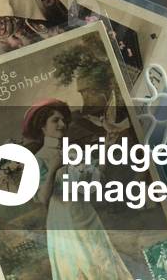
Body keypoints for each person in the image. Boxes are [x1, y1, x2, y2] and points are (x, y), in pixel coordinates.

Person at [23, 99, 133, 280]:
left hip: (85, 213)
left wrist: (107, 148)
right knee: (80, 266)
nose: (62, 124)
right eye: (55, 120)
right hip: (63, 219)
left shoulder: (72, 152)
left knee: (102, 260)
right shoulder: (38, 159)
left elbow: (94, 180)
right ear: (42, 126)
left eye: (63, 120)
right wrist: (53, 169)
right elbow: (42, 198)